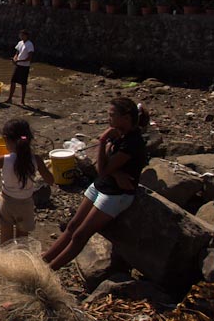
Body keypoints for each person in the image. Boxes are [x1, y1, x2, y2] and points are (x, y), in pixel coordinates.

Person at [42, 98, 147, 270]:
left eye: (112, 115)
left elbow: (102, 168)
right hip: (101, 185)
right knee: (73, 225)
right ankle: (44, 260)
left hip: (115, 194)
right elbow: (103, 166)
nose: (108, 119)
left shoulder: (132, 143)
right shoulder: (119, 134)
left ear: (126, 117)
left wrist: (103, 141)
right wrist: (115, 171)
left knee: (80, 235)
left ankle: (49, 270)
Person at [0, 119, 54, 244]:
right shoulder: (36, 159)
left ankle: (6, 260)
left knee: (6, 238)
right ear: (29, 139)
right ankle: (20, 258)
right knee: (22, 239)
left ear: (6, 140)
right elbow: (50, 180)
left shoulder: (3, 160)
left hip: (6, 202)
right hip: (25, 204)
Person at [6, 29, 34, 105]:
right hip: (18, 65)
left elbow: (29, 58)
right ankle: (10, 98)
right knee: (13, 81)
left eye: (23, 35)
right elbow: (17, 53)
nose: (21, 36)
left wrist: (19, 61)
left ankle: (22, 100)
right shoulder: (20, 43)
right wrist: (15, 59)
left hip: (24, 66)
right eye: (20, 35)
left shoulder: (29, 44)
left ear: (26, 36)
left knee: (23, 84)